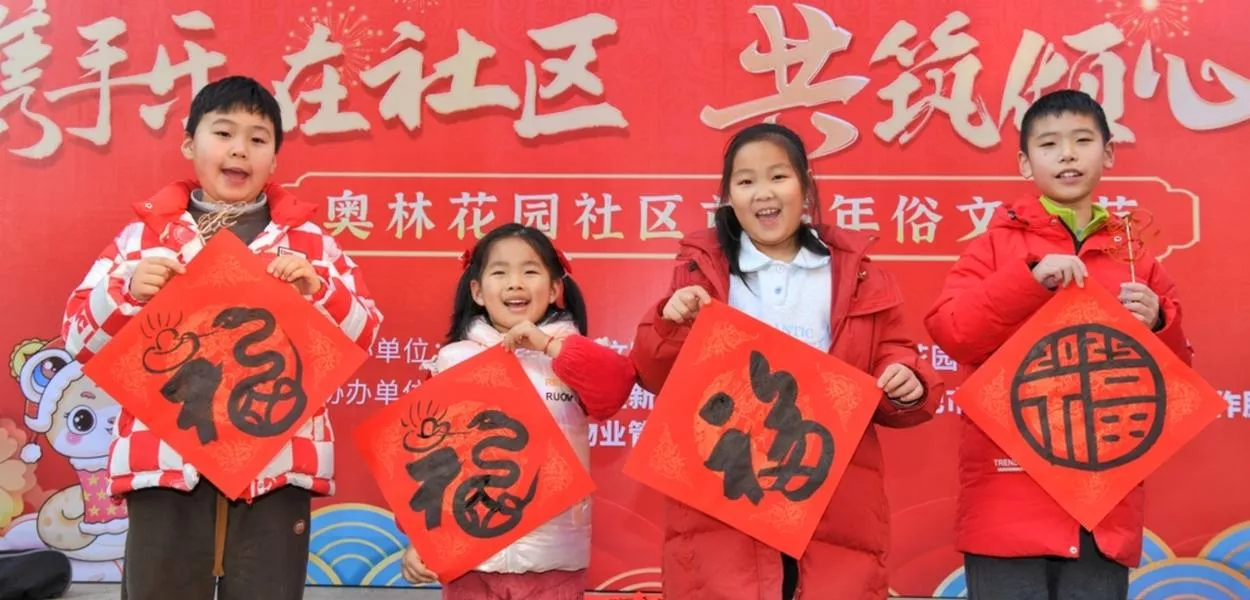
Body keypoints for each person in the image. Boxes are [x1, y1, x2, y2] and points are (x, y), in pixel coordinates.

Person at [60, 75, 383, 600]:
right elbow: (77, 335)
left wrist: (318, 289)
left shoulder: (310, 243)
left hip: (275, 465)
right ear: (190, 144)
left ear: (275, 158)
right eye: (224, 133)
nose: (240, 149)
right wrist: (125, 292)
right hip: (164, 462)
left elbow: (365, 333)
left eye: (258, 139)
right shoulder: (145, 237)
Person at [629, 122, 942, 599]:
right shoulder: (702, 272)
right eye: (745, 181)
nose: (763, 193)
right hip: (727, 493)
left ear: (806, 186)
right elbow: (653, 372)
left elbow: (895, 354)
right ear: (728, 196)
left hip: (831, 494)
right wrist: (670, 322)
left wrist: (907, 378)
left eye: (778, 176)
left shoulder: (854, 273)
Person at [925, 89, 1192, 600]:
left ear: (1108, 154)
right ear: (1026, 162)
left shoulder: (1136, 258)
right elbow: (952, 330)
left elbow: (1173, 385)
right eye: (1049, 144)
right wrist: (1029, 280)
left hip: (1101, 504)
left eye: (1082, 140)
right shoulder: (996, 246)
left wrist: (1159, 323)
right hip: (1009, 498)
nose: (1067, 154)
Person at [400, 223, 636, 600]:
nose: (515, 283)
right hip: (470, 562)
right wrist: (421, 538)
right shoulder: (452, 361)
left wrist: (548, 347)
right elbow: (427, 460)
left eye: (530, 271)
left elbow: (616, 385)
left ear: (556, 288)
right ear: (476, 290)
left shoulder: (570, 355)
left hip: (554, 560)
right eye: (499, 272)